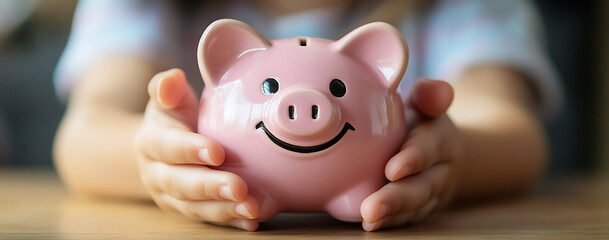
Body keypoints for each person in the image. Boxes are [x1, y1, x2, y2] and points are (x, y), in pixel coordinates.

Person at [53, 0, 561, 231]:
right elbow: (84, 134)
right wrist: (155, 159)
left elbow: (515, 131)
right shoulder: (144, 8)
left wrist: (453, 152)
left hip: (369, 199)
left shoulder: (461, 7)